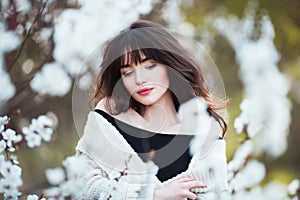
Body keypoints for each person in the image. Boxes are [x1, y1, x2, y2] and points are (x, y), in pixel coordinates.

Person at [74, 20, 229, 200]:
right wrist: (153, 196)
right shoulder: (107, 119)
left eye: (150, 66)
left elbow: (217, 193)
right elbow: (81, 187)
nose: (140, 79)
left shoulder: (203, 129)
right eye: (127, 72)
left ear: (170, 64)